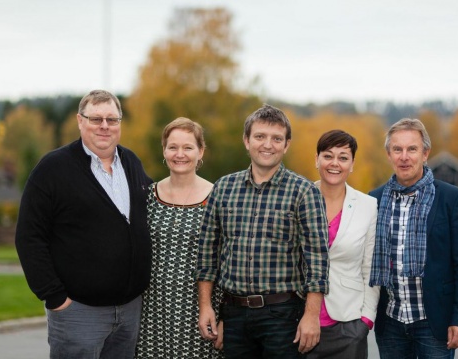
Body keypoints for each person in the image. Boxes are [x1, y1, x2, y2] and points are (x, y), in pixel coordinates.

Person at [15, 89, 153, 359]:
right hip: (78, 312)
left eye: (112, 120)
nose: (104, 126)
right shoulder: (53, 168)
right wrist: (55, 298)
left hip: (129, 311)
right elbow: (29, 237)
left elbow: (155, 206)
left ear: (120, 123)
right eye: (96, 119)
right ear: (80, 121)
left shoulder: (131, 163)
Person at [195, 103, 330, 358]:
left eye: (276, 138)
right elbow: (207, 253)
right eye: (260, 136)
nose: (267, 145)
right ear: (246, 141)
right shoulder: (224, 188)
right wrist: (206, 307)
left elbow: (317, 259)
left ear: (286, 145)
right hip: (234, 315)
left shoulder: (303, 192)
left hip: (282, 316)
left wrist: (312, 316)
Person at [369, 118, 458, 358]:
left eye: (412, 149)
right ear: (389, 154)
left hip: (434, 323)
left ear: (425, 153)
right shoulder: (373, 201)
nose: (404, 156)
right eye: (397, 149)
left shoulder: (451, 199)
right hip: (390, 322)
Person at [134, 117, 223, 358]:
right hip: (152, 311)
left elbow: (228, 260)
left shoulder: (217, 197)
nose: (179, 154)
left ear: (200, 151)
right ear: (164, 150)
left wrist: (225, 316)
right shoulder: (147, 195)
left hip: (200, 309)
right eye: (173, 147)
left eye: (188, 147)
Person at [307, 130, 380, 359]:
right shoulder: (299, 198)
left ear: (352, 164)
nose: (334, 163)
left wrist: (366, 320)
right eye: (328, 156)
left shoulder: (368, 206)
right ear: (317, 159)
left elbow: (370, 267)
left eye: (343, 157)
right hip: (300, 321)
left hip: (348, 322)